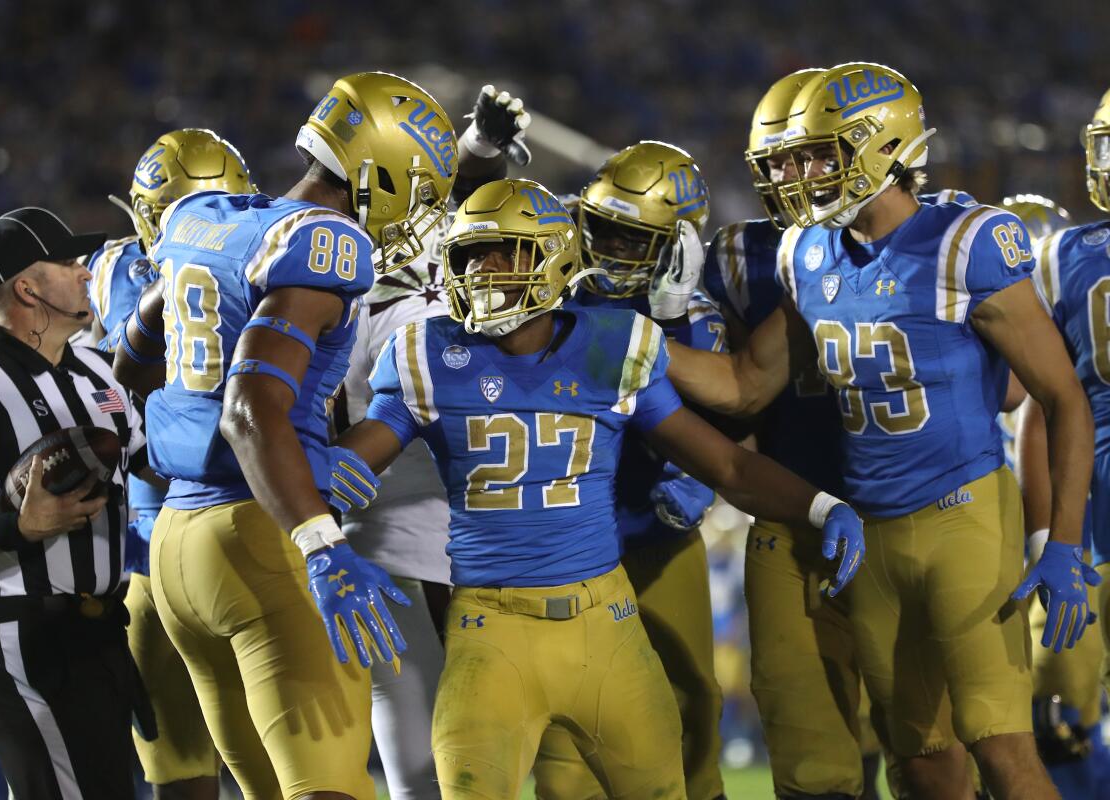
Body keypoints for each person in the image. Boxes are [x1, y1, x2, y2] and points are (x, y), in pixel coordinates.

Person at [332, 178, 866, 800]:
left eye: (504, 250)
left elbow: (727, 467)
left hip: (603, 627)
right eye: (471, 253)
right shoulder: (428, 353)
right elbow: (357, 457)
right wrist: (313, 524)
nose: (482, 269)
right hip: (488, 627)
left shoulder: (612, 344)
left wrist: (820, 505)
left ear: (555, 257)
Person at [657, 62, 1096, 799]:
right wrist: (638, 340)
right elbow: (744, 385)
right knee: (921, 761)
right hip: (872, 535)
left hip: (965, 519)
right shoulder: (807, 252)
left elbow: (1059, 396)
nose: (798, 175)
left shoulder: (967, 241)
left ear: (880, 146)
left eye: (817, 155)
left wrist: (1065, 538)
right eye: (793, 158)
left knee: (1003, 750)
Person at [113, 72, 458, 800]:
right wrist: (320, 541)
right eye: (421, 190)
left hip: (177, 545)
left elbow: (135, 358)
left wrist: (194, 429)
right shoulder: (324, 242)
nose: (423, 213)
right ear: (379, 177)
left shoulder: (207, 217)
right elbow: (249, 410)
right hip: (257, 538)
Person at [0, 207, 148, 799]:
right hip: (20, 631)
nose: (86, 273)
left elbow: (153, 462)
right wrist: (12, 528)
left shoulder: (96, 371)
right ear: (27, 286)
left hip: (102, 629)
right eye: (68, 263)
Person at [336, 84, 532, 800]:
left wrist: (479, 148)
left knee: (444, 766)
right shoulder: (389, 302)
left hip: (396, 533)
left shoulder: (333, 272)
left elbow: (460, 206)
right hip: (414, 537)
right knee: (436, 769)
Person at [532, 140, 728, 800]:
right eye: (603, 229)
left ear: (677, 248)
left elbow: (721, 423)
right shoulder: (541, 295)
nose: (611, 249)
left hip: (651, 534)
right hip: (557, 540)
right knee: (563, 728)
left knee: (692, 700)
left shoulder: (695, 319)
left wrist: (669, 320)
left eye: (633, 237)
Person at [88, 127, 254, 799]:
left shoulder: (128, 265)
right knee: (199, 771)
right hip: (184, 540)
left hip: (192, 541)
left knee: (264, 762)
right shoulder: (125, 267)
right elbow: (141, 405)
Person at [1019, 90, 1110, 795]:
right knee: (1059, 721)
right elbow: (1041, 412)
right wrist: (1051, 535)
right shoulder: (1064, 257)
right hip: (1093, 528)